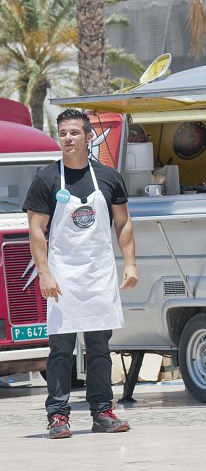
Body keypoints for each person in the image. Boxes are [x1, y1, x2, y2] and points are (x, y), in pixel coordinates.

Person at [24, 109, 138, 439]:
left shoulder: (108, 177)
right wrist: (45, 273)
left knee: (100, 348)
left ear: (89, 137)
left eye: (75, 132)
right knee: (61, 349)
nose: (68, 138)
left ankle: (102, 412)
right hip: (62, 276)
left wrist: (130, 263)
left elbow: (124, 222)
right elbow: (36, 230)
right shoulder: (46, 179)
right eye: (63, 133)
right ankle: (58, 416)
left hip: (99, 273)